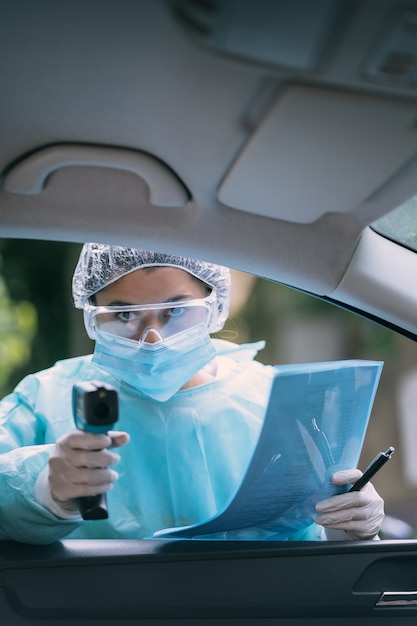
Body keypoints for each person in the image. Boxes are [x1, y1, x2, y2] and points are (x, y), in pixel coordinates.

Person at [0, 243, 384, 544]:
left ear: (214, 306)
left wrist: (350, 525)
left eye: (175, 311)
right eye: (124, 315)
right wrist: (46, 490)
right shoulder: (44, 397)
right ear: (92, 317)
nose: (152, 339)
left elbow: (313, 532)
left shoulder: (276, 402)